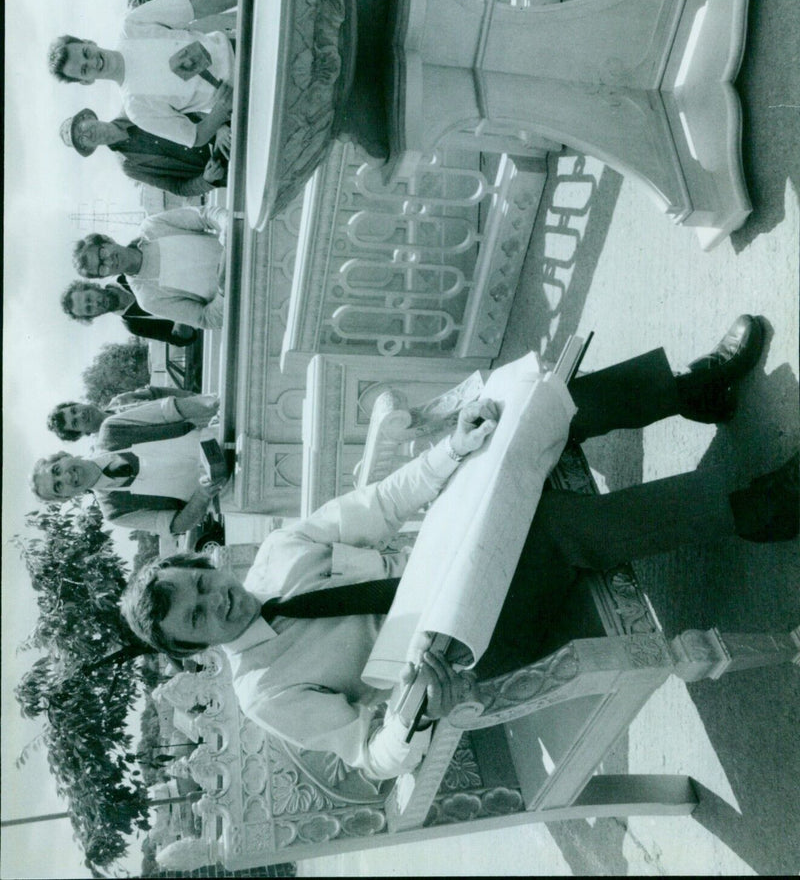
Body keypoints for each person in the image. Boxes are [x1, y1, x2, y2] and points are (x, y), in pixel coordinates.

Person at [121, 316, 799, 781]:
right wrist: (421, 712)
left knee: (525, 418)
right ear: (194, 648)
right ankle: (756, 509)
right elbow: (370, 751)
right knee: (556, 530)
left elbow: (383, 503)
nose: (219, 599)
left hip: (449, 547)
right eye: (201, 617)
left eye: (202, 585)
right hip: (468, 640)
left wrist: (456, 445)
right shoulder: (266, 693)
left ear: (200, 564)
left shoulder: (276, 556)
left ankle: (693, 386)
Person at [47, 0, 238, 147]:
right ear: (86, 81)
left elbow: (195, 8)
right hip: (238, 96)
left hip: (238, 44)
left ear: (89, 42)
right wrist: (220, 111)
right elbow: (195, 137)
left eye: (86, 53)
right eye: (84, 70)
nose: (93, 62)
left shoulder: (132, 24)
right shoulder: (136, 109)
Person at [30, 423, 231, 538]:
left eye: (57, 470)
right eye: (58, 486)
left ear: (64, 456)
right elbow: (177, 525)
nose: (66, 477)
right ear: (67, 497)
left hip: (224, 436)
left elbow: (176, 408)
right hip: (230, 491)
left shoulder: (111, 430)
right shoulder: (115, 513)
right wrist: (203, 496)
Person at [72, 204, 228, 330]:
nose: (109, 262)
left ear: (107, 240)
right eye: (101, 268)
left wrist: (227, 224)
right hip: (237, 293)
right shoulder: (148, 299)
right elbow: (205, 318)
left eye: (102, 253)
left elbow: (206, 216)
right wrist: (223, 290)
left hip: (244, 244)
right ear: (104, 277)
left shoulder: (152, 226)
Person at [59, 108, 230, 198]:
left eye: (81, 127)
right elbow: (177, 187)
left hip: (230, 128)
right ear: (88, 148)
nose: (87, 134)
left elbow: (191, 103)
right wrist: (207, 180)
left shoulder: (133, 107)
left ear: (88, 117)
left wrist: (218, 125)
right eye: (81, 140)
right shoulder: (129, 167)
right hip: (227, 171)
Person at [47, 391, 219, 447]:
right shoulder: (110, 444)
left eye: (74, 410)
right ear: (80, 433)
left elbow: (165, 394)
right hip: (200, 438)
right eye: (75, 422)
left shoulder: (122, 401)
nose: (81, 414)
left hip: (208, 409)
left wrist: (202, 399)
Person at [60, 277, 199, 346]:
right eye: (89, 309)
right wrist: (181, 326)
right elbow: (186, 338)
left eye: (89, 298)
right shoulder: (134, 325)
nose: (95, 303)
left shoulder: (126, 275)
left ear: (91, 286)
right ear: (93, 316)